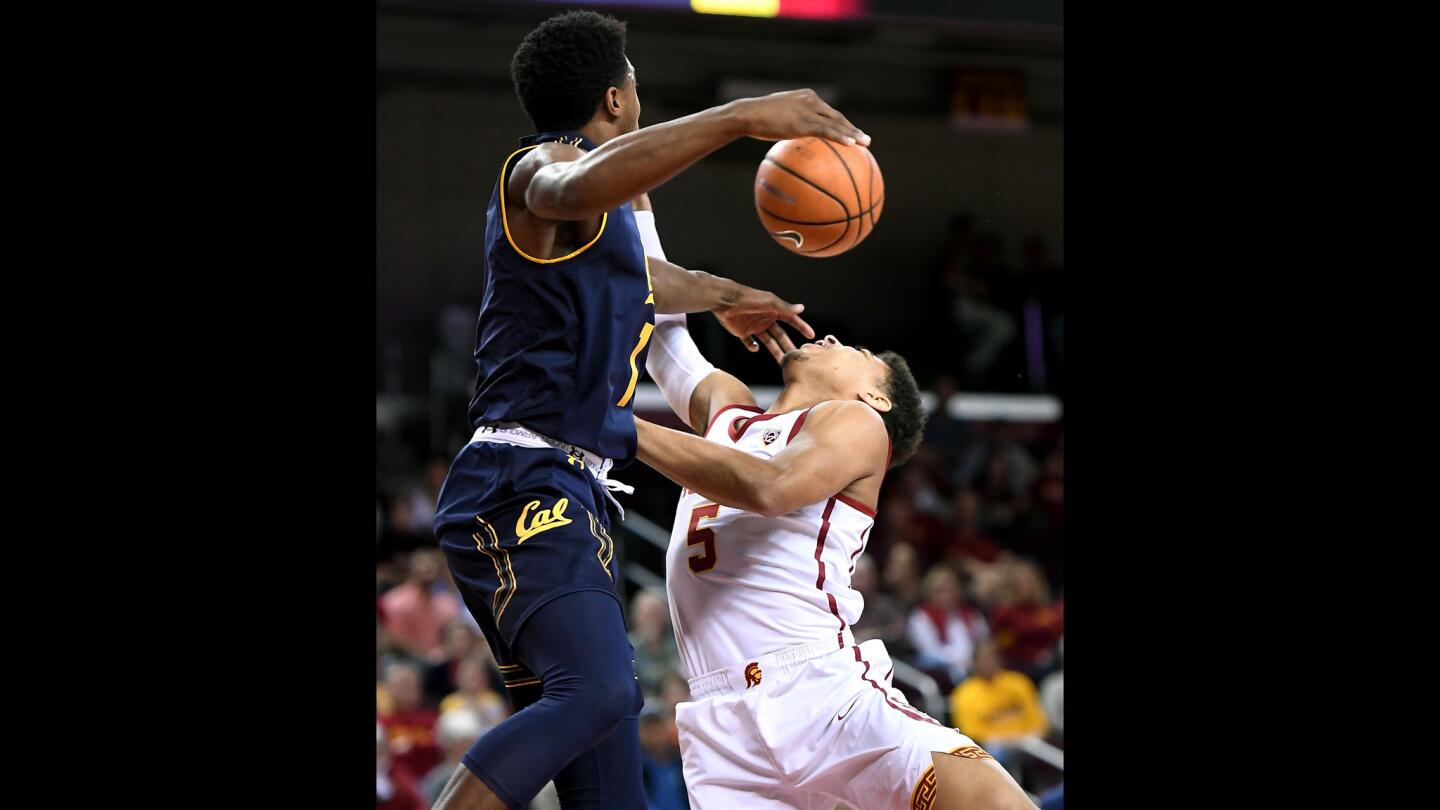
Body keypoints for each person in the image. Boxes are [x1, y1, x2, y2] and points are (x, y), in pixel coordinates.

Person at [430, 10, 871, 810]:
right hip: (521, 478)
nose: (642, 93)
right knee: (598, 694)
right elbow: (577, 186)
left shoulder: (589, 232)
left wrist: (730, 295)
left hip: (566, 486)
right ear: (614, 99)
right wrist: (739, 117)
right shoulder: (542, 167)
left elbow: (646, 281)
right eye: (636, 81)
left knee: (610, 764)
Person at [631, 248, 1033, 807]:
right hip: (720, 725)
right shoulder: (731, 414)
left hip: (822, 694)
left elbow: (769, 488)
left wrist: (611, 425)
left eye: (861, 353)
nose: (835, 340)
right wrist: (633, 194)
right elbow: (660, 339)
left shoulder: (858, 423)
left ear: (874, 395)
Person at [949, 641, 1048, 784]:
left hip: (1027, 743)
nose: (990, 661)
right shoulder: (964, 693)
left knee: (1045, 752)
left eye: (994, 656)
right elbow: (972, 733)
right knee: (995, 754)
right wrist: (1010, 741)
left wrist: (1029, 738)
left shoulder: (1018, 682)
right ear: (974, 662)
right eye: (985, 657)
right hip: (994, 747)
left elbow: (1039, 721)